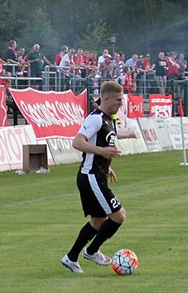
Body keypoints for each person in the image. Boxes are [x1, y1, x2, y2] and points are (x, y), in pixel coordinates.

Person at [61, 81, 125, 274]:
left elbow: (103, 148)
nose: (121, 104)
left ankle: (71, 258)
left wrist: (107, 166)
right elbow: (77, 142)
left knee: (98, 220)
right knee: (118, 216)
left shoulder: (110, 119)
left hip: (98, 175)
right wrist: (101, 153)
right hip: (90, 177)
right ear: (106, 99)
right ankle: (91, 251)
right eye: (118, 100)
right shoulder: (96, 118)